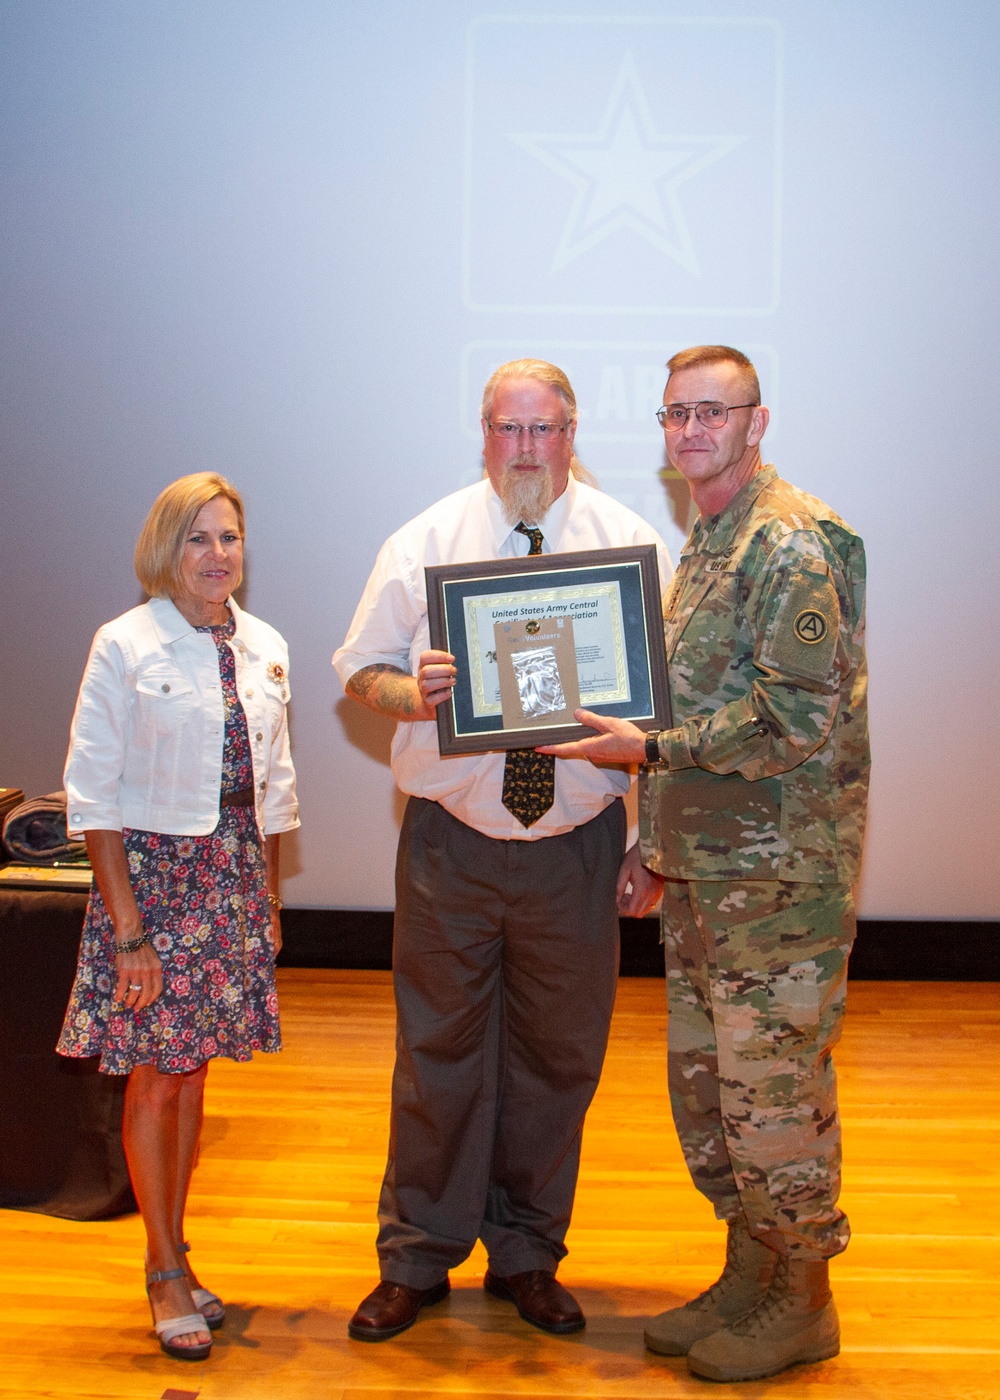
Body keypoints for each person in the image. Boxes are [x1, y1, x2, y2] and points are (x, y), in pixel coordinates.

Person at [540, 345, 869, 1383]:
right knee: (716, 1093)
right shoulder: (710, 543)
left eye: (711, 413)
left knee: (773, 1098)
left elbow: (792, 719)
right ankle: (749, 1271)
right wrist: (654, 838)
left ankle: (802, 1298)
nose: (689, 432)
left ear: (756, 422)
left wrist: (645, 754)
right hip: (709, 873)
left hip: (778, 889)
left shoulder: (787, 542)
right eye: (674, 413)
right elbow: (684, 707)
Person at [333, 359, 672, 1341]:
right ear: (484, 434)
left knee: (556, 1059)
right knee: (433, 1051)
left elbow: (663, 712)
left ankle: (527, 1249)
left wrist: (646, 840)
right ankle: (416, 1255)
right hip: (452, 843)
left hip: (576, 844)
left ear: (572, 433)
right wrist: (416, 690)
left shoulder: (631, 547)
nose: (526, 447)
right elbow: (359, 669)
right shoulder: (424, 541)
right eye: (507, 429)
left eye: (545, 428)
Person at [58, 472, 299, 1361]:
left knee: (193, 1072)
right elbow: (93, 798)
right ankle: (162, 1269)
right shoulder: (125, 644)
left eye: (229, 538)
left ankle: (177, 1247)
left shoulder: (266, 644)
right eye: (198, 539)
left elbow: (275, 788)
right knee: (157, 1075)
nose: (217, 555)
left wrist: (267, 898)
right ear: (165, 549)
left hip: (231, 882)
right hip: (154, 890)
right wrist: (128, 932)